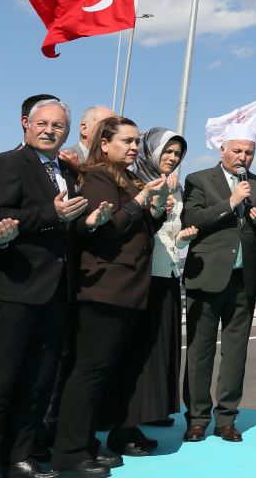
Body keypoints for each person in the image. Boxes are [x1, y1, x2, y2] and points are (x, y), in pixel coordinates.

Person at [0, 99, 109, 478]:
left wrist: (88, 222)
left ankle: (19, 456)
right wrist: (51, 214)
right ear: (26, 124)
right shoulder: (9, 164)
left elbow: (66, 227)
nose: (50, 130)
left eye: (58, 126)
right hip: (14, 289)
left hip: (56, 293)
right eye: (42, 123)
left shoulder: (66, 170)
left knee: (38, 382)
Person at [51, 117, 172, 478]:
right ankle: (68, 452)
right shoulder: (100, 176)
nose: (134, 147)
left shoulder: (131, 178)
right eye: (127, 141)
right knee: (87, 372)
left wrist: (158, 203)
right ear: (104, 144)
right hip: (104, 289)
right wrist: (139, 202)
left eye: (137, 142)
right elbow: (110, 228)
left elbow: (145, 226)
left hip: (128, 289)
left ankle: (87, 443)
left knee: (103, 372)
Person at [106, 128, 195, 454]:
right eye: (167, 151)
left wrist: (183, 239)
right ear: (151, 150)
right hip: (141, 278)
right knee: (135, 354)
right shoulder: (133, 182)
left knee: (157, 353)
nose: (172, 158)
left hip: (167, 275)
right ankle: (122, 427)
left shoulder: (176, 186)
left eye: (177, 153)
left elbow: (170, 234)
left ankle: (139, 421)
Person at [180, 126, 256, 443]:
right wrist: (231, 202)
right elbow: (192, 220)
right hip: (206, 277)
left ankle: (226, 419)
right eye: (237, 150)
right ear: (222, 150)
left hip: (243, 281)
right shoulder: (198, 179)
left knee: (235, 354)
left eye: (248, 152)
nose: (242, 157)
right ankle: (196, 419)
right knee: (199, 353)